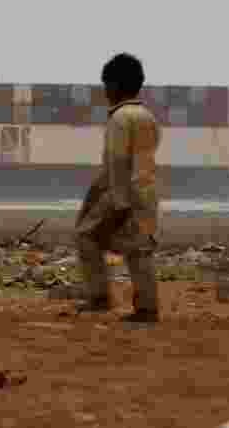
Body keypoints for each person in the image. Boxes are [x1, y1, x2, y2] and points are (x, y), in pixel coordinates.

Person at [74, 53, 161, 324]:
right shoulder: (148, 117)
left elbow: (116, 164)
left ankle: (99, 298)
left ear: (114, 85)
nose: (104, 91)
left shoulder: (119, 119)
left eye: (106, 84)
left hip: (122, 193)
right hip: (147, 192)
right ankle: (147, 308)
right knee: (139, 248)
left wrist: (113, 201)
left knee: (86, 235)